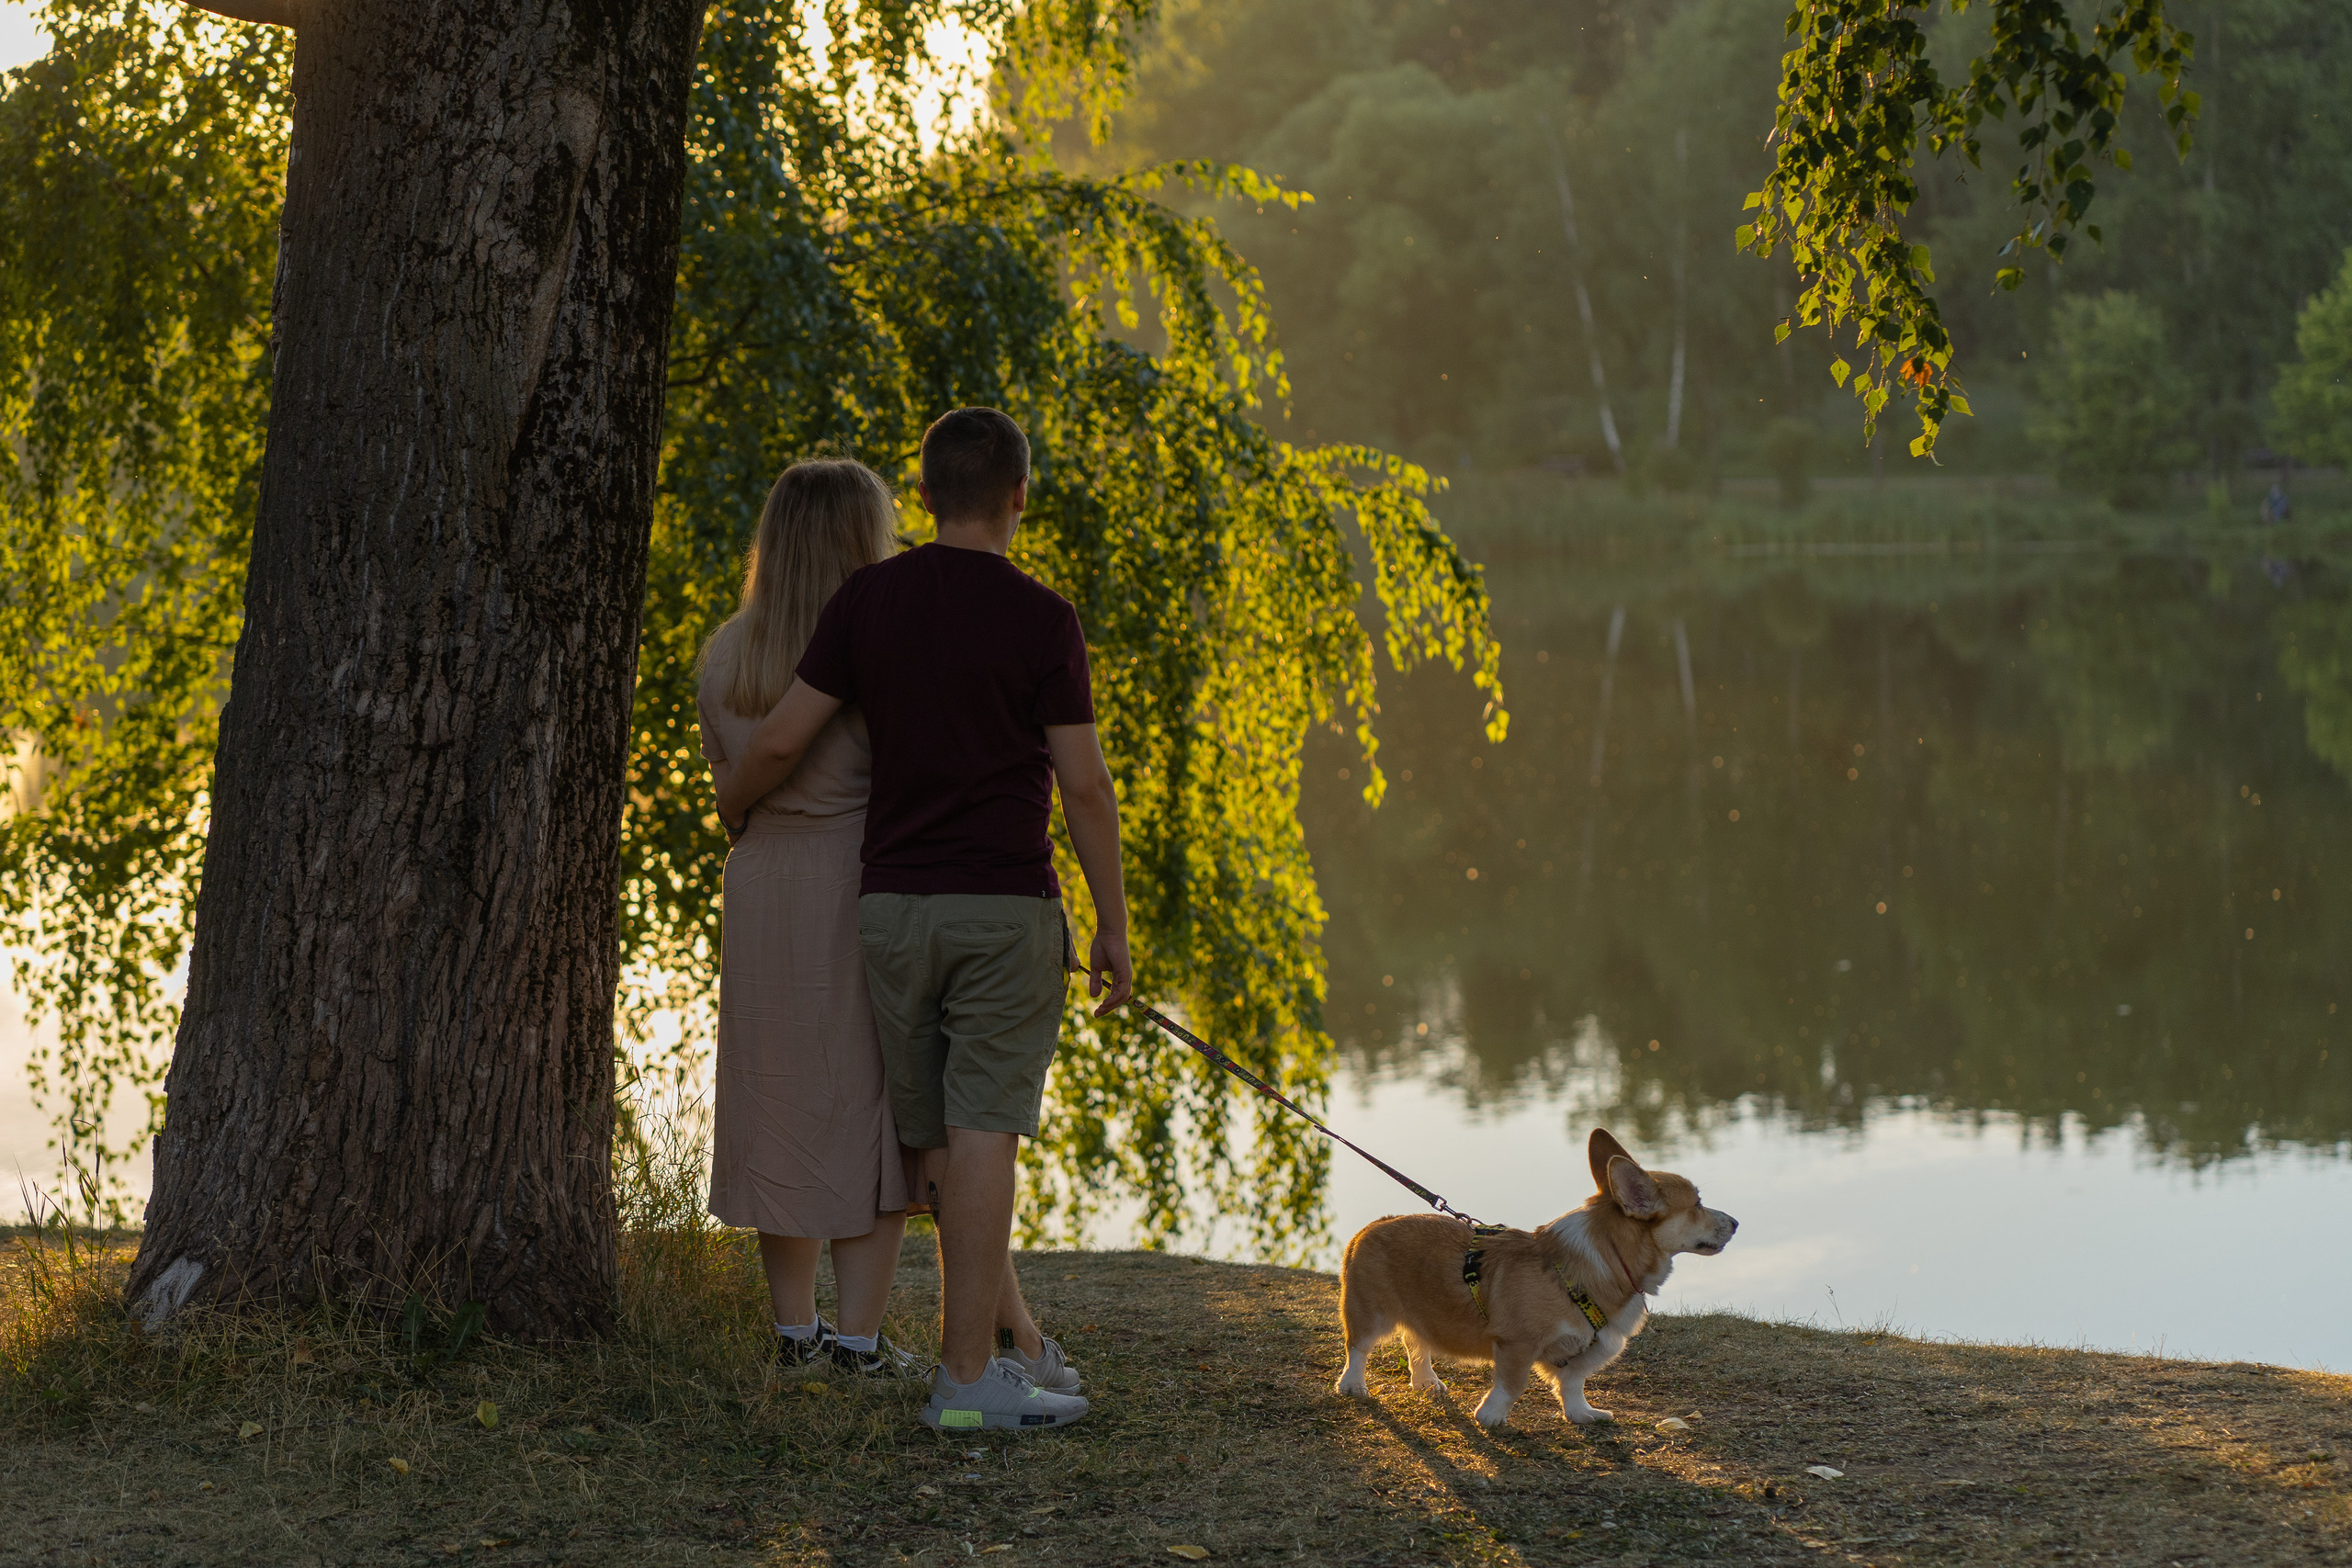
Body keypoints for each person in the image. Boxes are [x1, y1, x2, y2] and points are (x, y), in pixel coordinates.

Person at [718, 407, 1132, 1432]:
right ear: (1018, 501)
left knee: (918, 1134)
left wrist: (733, 803)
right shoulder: (1043, 618)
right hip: (1002, 902)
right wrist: (1112, 923)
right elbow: (1083, 787)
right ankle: (963, 1382)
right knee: (978, 1126)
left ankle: (1001, 1349)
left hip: (890, 908)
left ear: (929, 492)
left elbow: (780, 738)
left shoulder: (864, 603)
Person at [696, 458, 924, 1380]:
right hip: (857, 881)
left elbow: (729, 781)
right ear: (858, 540)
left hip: (760, 884)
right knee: (877, 1111)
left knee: (780, 1099)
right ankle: (861, 1343)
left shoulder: (726, 652)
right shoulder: (882, 649)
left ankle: (796, 1333)